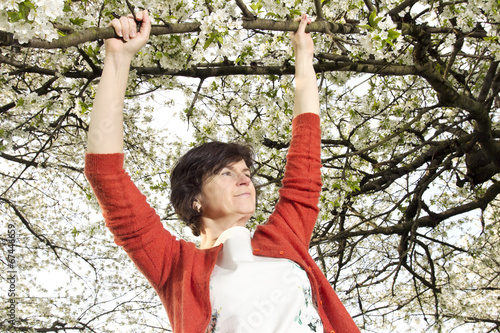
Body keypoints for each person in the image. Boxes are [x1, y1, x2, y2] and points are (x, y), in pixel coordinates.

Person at [84, 9, 360, 333]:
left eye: (246, 172)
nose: (245, 179)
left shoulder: (285, 237)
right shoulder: (175, 267)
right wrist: (118, 59)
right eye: (226, 173)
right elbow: (106, 175)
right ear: (194, 199)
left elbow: (306, 155)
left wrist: (303, 56)